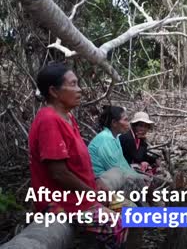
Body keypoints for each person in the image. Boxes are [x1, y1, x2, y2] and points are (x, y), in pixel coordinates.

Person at [29, 62, 129, 248]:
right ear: (54, 91)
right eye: (73, 84)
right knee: (115, 223)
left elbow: (77, 163)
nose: (80, 89)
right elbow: (59, 173)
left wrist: (96, 183)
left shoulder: (67, 117)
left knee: (129, 210)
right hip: (61, 200)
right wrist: (92, 194)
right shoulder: (49, 120)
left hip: (80, 195)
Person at [88, 106, 148, 195]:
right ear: (114, 123)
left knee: (141, 182)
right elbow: (115, 169)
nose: (128, 124)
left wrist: (140, 176)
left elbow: (123, 164)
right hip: (100, 183)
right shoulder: (105, 139)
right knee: (136, 184)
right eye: (125, 120)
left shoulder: (115, 138)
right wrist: (139, 177)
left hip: (111, 178)